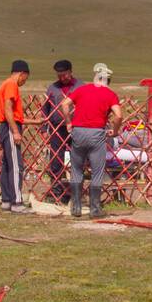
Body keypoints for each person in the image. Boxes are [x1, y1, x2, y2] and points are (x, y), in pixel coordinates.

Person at [58, 64, 122, 218]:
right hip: (96, 134)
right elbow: (118, 115)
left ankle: (76, 208)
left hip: (78, 132)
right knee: (97, 171)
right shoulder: (110, 94)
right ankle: (94, 209)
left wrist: (68, 122)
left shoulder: (82, 89)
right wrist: (116, 131)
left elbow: (64, 104)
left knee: (76, 169)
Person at [42, 59, 84, 203]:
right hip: (56, 129)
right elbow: (45, 109)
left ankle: (76, 192)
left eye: (64, 75)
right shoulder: (52, 88)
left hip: (77, 127)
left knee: (77, 159)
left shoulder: (80, 86)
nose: (62, 78)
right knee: (55, 160)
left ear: (71, 72)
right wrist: (43, 128)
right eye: (59, 75)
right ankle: (57, 193)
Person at [0, 60, 30, 213]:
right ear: (22, 73)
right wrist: (15, 131)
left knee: (7, 165)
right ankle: (17, 203)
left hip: (5, 126)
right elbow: (8, 109)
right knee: (16, 166)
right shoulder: (11, 84)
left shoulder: (5, 84)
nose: (24, 81)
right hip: (9, 128)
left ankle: (6, 200)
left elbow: (12, 113)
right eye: (25, 78)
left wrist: (34, 121)